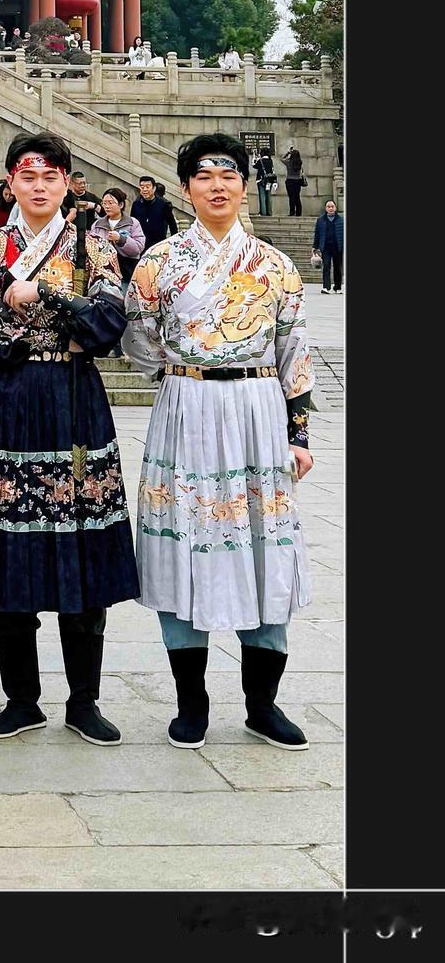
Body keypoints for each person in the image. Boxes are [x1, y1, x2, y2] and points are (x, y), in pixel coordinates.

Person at [123, 134, 316, 750]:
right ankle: (192, 703)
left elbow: (294, 352)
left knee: (265, 548)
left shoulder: (275, 266)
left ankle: (263, 703)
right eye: (203, 176)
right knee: (185, 542)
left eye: (228, 175)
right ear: (186, 189)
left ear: (242, 186)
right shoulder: (159, 263)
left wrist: (299, 435)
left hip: (259, 409)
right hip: (186, 405)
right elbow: (138, 340)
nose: (217, 186)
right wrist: (182, 372)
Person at [0, 131, 137, 747]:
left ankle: (84, 700)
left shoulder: (95, 246)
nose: (39, 187)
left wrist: (46, 295)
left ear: (67, 182)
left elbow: (109, 323)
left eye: (50, 177)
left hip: (75, 402)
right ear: (10, 181)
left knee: (81, 544)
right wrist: (65, 322)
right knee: (8, 541)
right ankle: (22, 700)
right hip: (11, 401)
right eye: (27, 176)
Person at [93, 190, 145, 357]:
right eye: (104, 203)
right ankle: (111, 346)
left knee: (125, 309)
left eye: (111, 203)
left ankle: (127, 346)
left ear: (121, 205)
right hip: (105, 273)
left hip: (126, 271)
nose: (107, 206)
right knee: (107, 308)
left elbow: (138, 248)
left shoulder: (132, 223)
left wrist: (121, 239)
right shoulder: (98, 224)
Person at [131, 175, 175, 250]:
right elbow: (132, 223)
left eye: (147, 187)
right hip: (141, 244)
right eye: (142, 187)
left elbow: (172, 224)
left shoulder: (163, 204)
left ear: (154, 188)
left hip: (158, 245)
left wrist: (173, 243)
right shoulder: (136, 204)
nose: (145, 189)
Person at [313, 199, 343, 293]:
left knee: (338, 267)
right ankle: (326, 287)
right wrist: (315, 247)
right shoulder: (320, 220)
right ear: (326, 208)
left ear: (335, 208)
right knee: (326, 266)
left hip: (338, 247)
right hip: (326, 247)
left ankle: (337, 287)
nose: (330, 208)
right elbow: (317, 234)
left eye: (332, 206)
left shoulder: (341, 220)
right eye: (328, 207)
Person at [284, 143, 305, 218]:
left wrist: (288, 153)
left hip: (290, 180)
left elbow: (282, 159)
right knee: (297, 197)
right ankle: (299, 212)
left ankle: (292, 212)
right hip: (297, 181)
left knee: (291, 197)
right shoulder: (300, 163)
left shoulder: (288, 162)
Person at [254, 148, 276, 219]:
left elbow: (254, 165)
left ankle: (263, 212)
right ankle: (269, 212)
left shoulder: (260, 160)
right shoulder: (270, 160)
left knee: (262, 196)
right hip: (269, 180)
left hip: (261, 180)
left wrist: (255, 157)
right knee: (268, 196)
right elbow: (272, 170)